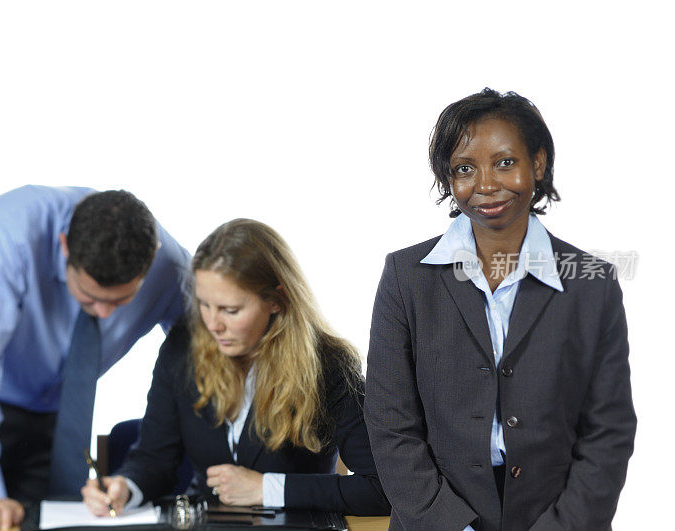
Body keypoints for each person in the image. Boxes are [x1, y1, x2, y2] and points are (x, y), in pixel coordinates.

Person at [364, 88, 636, 530]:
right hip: (436, 518)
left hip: (557, 517)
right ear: (448, 181)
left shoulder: (593, 282)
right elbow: (389, 422)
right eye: (464, 169)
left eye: (505, 162)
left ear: (539, 163)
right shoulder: (406, 276)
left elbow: (609, 430)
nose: (486, 185)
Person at [0, 185, 191, 531]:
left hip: (54, 402)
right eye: (88, 297)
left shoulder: (171, 266)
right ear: (64, 244)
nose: (102, 312)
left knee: (49, 521)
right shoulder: (7, 236)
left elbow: (205, 355)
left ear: (152, 258)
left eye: (120, 300)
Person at [81, 219, 391, 516]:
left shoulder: (330, 364)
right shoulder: (182, 347)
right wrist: (126, 486)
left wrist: (268, 489)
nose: (213, 325)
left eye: (230, 310)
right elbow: (154, 459)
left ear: (277, 300)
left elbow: (382, 488)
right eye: (204, 305)